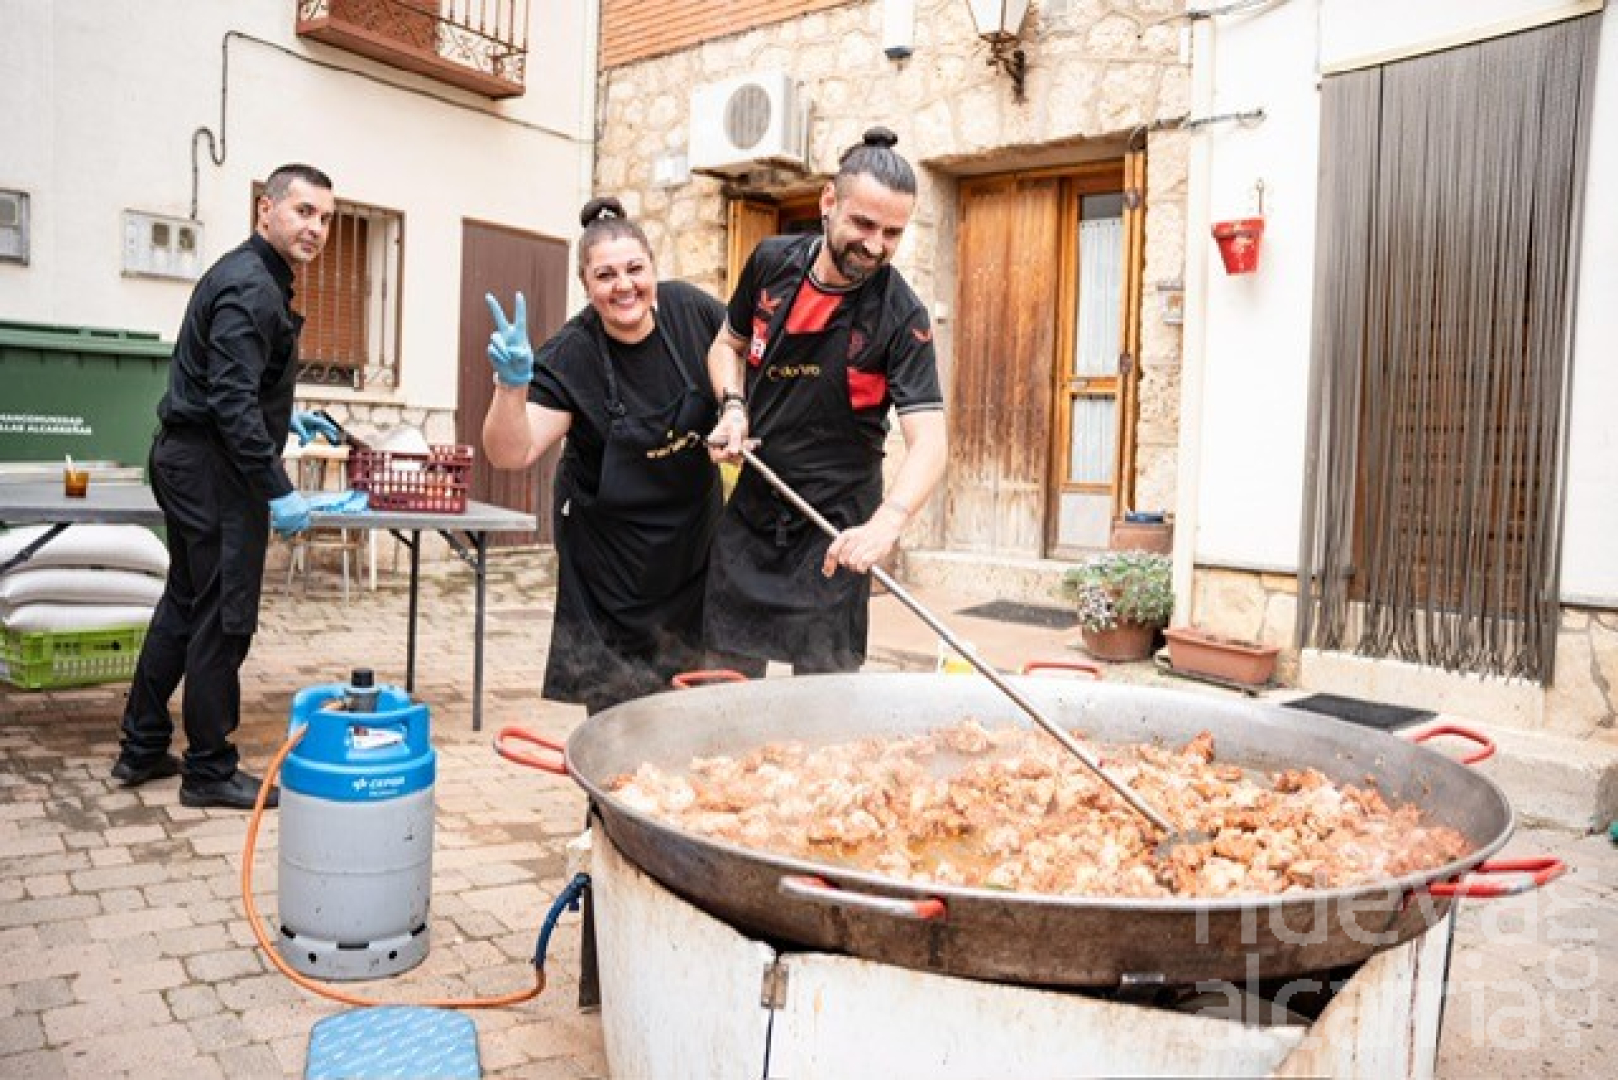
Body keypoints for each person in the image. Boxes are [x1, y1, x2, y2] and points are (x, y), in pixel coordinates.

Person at [112, 163, 336, 810]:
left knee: (185, 603)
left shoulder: (252, 276)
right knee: (222, 617)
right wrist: (277, 486)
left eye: (325, 217)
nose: (316, 227)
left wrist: (284, 415)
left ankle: (142, 744)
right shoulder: (252, 287)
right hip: (213, 471)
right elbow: (232, 401)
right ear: (266, 209)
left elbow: (233, 383)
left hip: (189, 459)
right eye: (303, 211)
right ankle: (209, 769)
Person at [704, 127, 948, 677]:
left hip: (837, 529)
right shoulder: (771, 263)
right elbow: (727, 345)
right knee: (723, 689)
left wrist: (887, 523)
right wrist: (734, 407)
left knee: (823, 702)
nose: (876, 245)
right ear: (828, 201)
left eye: (893, 233)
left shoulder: (901, 315)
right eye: (864, 224)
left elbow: (930, 441)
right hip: (755, 509)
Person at [482, 197, 726, 714]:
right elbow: (511, 452)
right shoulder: (572, 354)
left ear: (654, 268)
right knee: (621, 706)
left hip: (693, 545)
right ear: (586, 284)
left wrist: (737, 412)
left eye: (635, 269)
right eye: (606, 275)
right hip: (612, 560)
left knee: (697, 695)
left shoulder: (693, 313)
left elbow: (739, 361)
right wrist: (510, 386)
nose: (624, 286)